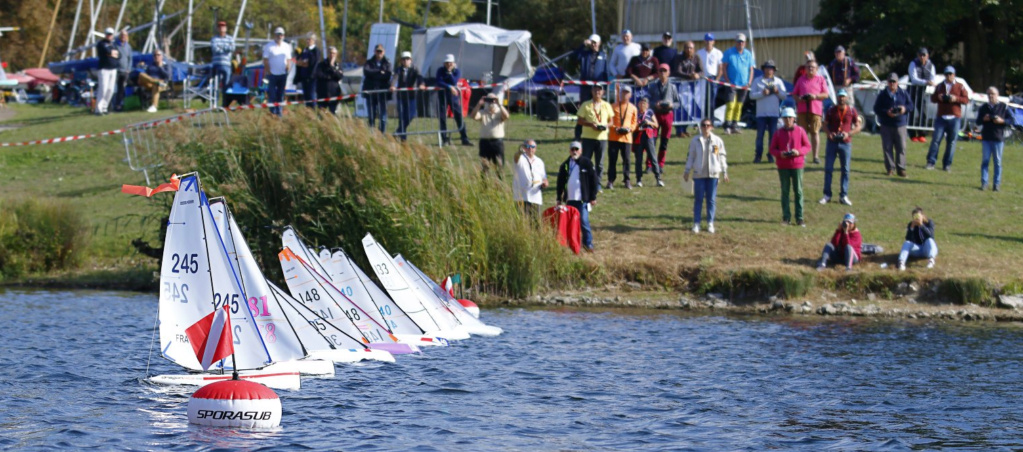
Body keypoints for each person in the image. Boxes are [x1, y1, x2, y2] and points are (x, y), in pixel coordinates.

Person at [684, 118, 729, 234]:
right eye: (703, 125)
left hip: (713, 174)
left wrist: (724, 171)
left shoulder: (717, 141)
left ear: (712, 127)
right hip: (699, 174)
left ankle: (710, 223)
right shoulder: (695, 141)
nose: (705, 127)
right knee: (698, 199)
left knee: (711, 200)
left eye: (708, 125)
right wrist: (687, 170)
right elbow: (691, 156)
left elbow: (721, 156)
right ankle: (696, 223)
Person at [820, 89, 862, 206]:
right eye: (840, 97)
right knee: (828, 169)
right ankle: (827, 195)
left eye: (843, 97)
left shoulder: (852, 111)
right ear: (837, 98)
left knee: (846, 170)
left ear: (847, 98)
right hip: (832, 142)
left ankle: (844, 195)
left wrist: (848, 134)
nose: (841, 99)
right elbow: (824, 124)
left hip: (846, 143)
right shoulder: (831, 110)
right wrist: (829, 134)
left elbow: (858, 126)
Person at [769, 108, 810, 226]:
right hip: (783, 165)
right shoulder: (778, 132)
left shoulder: (800, 131)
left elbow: (807, 146)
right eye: (785, 118)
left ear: (794, 118)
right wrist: (780, 154)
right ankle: (786, 217)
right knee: (785, 191)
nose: (787, 120)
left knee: (798, 191)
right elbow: (772, 148)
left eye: (789, 117)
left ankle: (799, 218)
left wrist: (798, 152)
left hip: (797, 165)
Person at [556, 141, 599, 252]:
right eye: (572, 149)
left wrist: (593, 197)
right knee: (571, 223)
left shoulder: (587, 163)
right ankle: (572, 243)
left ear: (581, 150)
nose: (574, 151)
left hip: (582, 199)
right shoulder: (565, 165)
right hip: (570, 199)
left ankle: (588, 244)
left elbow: (594, 181)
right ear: (570, 151)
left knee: (584, 221)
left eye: (576, 149)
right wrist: (559, 198)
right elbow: (560, 182)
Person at [926, 66, 968, 171]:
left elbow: (966, 99)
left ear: (954, 75)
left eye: (950, 74)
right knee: (936, 140)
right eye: (947, 74)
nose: (948, 76)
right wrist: (939, 97)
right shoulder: (940, 86)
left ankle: (947, 164)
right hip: (941, 117)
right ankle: (931, 162)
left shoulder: (960, 86)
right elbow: (932, 98)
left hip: (954, 117)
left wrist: (955, 98)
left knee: (951, 142)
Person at [872, 72, 914, 177]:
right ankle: (890, 168)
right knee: (887, 147)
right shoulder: (882, 94)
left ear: (897, 82)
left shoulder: (903, 93)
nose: (892, 84)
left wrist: (904, 109)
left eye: (894, 81)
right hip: (886, 124)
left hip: (900, 124)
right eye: (890, 82)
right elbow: (876, 108)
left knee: (901, 147)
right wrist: (887, 112)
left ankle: (901, 168)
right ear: (887, 82)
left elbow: (911, 105)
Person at [572, 34, 611, 140]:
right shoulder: (584, 54)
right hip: (586, 87)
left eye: (595, 42)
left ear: (599, 43)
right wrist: (582, 45)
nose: (593, 44)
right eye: (592, 42)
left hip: (598, 87)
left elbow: (605, 71)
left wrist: (605, 88)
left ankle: (599, 129)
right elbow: (574, 56)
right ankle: (578, 134)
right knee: (584, 109)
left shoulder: (603, 55)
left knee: (598, 109)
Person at [977, 86, 1015, 191]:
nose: (990, 96)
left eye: (992, 94)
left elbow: (1012, 120)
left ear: (997, 95)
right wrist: (984, 119)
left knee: (997, 162)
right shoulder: (984, 107)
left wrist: (1002, 121)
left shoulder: (1004, 107)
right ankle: (984, 183)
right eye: (989, 94)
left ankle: (996, 184)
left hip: (998, 138)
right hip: (986, 138)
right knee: (985, 161)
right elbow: (978, 121)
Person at [791, 60, 829, 163]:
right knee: (802, 133)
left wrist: (815, 96)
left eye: (812, 67)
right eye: (808, 67)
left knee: (815, 132)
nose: (810, 69)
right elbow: (794, 93)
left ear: (817, 69)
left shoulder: (821, 79)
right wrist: (799, 99)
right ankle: (802, 155)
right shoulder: (801, 79)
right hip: (802, 110)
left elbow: (826, 94)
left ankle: (815, 156)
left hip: (815, 110)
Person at [576, 84, 614, 187]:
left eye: (599, 90)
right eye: (595, 90)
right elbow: (579, 120)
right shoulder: (586, 104)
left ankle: (597, 183)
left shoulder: (606, 105)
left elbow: (611, 121)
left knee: (600, 163)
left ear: (603, 92)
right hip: (588, 137)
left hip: (602, 138)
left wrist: (606, 126)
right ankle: (584, 182)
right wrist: (590, 124)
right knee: (586, 161)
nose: (597, 92)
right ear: (591, 91)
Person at [749, 60, 787, 163]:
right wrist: (762, 93)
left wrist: (777, 91)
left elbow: (784, 95)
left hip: (774, 113)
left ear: (774, 70)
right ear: (763, 69)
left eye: (771, 68)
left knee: (773, 136)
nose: (769, 70)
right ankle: (758, 155)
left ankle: (771, 155)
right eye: (767, 68)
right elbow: (751, 95)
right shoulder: (757, 81)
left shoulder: (778, 81)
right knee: (760, 136)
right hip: (761, 113)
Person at [717, 33, 754, 134]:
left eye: (742, 42)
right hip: (732, 83)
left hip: (744, 84)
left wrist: (749, 82)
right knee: (731, 104)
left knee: (739, 105)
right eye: (738, 41)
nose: (740, 43)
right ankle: (727, 125)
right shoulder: (729, 53)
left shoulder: (748, 54)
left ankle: (735, 124)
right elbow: (724, 67)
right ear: (735, 42)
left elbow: (751, 69)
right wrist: (727, 80)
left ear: (745, 43)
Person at [436, 54, 472, 146]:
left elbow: (454, 81)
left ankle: (464, 138)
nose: (448, 65)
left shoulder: (457, 71)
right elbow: (439, 82)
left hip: (453, 98)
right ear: (444, 63)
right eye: (447, 63)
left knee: (459, 117)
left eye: (450, 63)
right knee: (442, 118)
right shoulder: (440, 70)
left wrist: (449, 73)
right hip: (442, 96)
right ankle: (444, 139)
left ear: (453, 63)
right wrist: (449, 87)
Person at [647, 64, 678, 174]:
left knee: (664, 141)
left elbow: (678, 103)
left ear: (669, 73)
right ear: (658, 73)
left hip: (668, 115)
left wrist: (671, 105)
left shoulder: (673, 87)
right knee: (652, 141)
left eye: (665, 71)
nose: (662, 73)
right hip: (655, 115)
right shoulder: (652, 86)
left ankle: (660, 164)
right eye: (660, 71)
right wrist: (655, 104)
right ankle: (649, 164)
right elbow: (647, 100)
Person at [669, 41, 702, 137]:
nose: (689, 50)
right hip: (679, 87)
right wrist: (690, 76)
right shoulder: (679, 58)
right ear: (684, 49)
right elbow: (677, 71)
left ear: (694, 49)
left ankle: (685, 128)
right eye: (687, 48)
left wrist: (697, 75)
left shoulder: (696, 58)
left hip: (692, 87)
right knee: (680, 108)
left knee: (690, 108)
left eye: (691, 48)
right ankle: (679, 130)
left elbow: (701, 71)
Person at [607, 85, 637, 189]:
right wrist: (615, 128)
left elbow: (634, 123)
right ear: (620, 94)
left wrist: (629, 129)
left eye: (627, 93)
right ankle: (610, 180)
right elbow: (608, 121)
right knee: (612, 160)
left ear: (630, 95)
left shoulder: (633, 108)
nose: (625, 94)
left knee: (627, 160)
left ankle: (627, 180)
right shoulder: (612, 106)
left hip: (627, 138)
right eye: (623, 92)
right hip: (614, 137)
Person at [390, 51, 425, 141]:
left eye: (407, 59)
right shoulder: (398, 69)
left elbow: (420, 77)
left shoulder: (415, 68)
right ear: (401, 61)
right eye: (403, 59)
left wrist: (421, 84)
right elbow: (395, 78)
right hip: (401, 97)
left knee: (411, 115)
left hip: (411, 96)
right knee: (402, 117)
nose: (405, 61)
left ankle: (398, 132)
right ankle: (403, 138)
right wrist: (393, 85)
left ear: (411, 60)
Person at [471, 92, 510, 169]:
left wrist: (500, 104)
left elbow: (506, 116)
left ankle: (499, 181)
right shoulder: (483, 112)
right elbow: (473, 116)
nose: (491, 102)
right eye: (489, 100)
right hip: (484, 142)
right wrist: (479, 104)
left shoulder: (499, 112)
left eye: (493, 100)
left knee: (499, 166)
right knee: (484, 167)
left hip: (497, 142)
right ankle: (485, 181)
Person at [513, 139, 548, 219]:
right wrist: (519, 152)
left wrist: (545, 183)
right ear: (525, 148)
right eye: (528, 147)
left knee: (535, 222)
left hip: (535, 196)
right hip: (521, 197)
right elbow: (516, 158)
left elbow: (544, 177)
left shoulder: (539, 161)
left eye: (533, 147)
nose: (530, 149)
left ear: (535, 148)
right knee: (521, 221)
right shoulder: (521, 159)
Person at [907, 48, 937, 141]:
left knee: (923, 112)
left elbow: (933, 78)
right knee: (911, 113)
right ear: (918, 55)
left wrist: (930, 82)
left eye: (924, 55)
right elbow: (914, 79)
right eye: (920, 55)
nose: (922, 57)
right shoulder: (913, 64)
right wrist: (926, 82)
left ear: (927, 56)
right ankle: (912, 135)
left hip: (921, 92)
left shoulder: (931, 65)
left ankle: (922, 134)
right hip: (911, 91)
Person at [262, 27, 293, 116]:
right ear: (275, 35)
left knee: (280, 95)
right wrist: (269, 71)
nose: (280, 36)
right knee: (272, 95)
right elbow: (265, 60)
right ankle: (272, 113)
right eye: (278, 34)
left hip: (282, 74)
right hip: (272, 74)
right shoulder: (269, 46)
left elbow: (288, 59)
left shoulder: (286, 46)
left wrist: (287, 69)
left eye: (281, 34)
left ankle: (279, 113)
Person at [633, 97, 662, 187]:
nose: (642, 105)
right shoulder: (635, 112)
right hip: (638, 136)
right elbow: (632, 125)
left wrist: (648, 122)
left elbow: (656, 125)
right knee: (639, 159)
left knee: (653, 157)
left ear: (648, 105)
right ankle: (639, 179)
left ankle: (658, 178)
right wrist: (639, 124)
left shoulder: (650, 112)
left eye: (644, 104)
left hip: (648, 136)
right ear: (638, 104)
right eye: (641, 103)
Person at [363, 44, 392, 133]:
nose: (379, 53)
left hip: (382, 93)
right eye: (377, 51)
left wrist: (374, 74)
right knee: (371, 116)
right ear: (374, 51)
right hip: (371, 92)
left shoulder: (387, 63)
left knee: (383, 117)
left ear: (384, 52)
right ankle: (372, 134)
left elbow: (387, 75)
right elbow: (367, 72)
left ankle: (381, 134)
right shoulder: (369, 62)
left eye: (381, 51)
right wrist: (379, 72)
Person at [696, 33, 722, 116]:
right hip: (702, 78)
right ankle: (701, 119)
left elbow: (720, 68)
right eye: (707, 40)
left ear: (713, 41)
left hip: (712, 78)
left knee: (711, 101)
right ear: (704, 41)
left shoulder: (718, 53)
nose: (708, 42)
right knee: (701, 100)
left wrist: (717, 80)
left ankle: (710, 120)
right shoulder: (699, 52)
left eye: (710, 40)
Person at [95, 28, 119, 115]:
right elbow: (107, 51)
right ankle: (98, 109)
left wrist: (112, 53)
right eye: (108, 34)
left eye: (111, 34)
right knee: (103, 89)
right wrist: (112, 53)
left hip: (113, 69)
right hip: (104, 69)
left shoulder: (114, 44)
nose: (109, 36)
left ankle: (105, 107)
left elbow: (118, 54)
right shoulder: (101, 43)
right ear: (105, 34)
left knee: (110, 89)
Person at [313, 46, 343, 114]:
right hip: (322, 93)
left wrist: (332, 66)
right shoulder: (321, 65)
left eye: (333, 53)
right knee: (321, 113)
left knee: (332, 113)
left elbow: (339, 76)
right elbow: (319, 75)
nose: (332, 55)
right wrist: (331, 77)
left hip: (334, 93)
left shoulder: (337, 65)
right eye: (330, 53)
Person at [210, 21, 235, 97]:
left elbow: (232, 48)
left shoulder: (230, 38)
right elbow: (215, 49)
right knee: (215, 84)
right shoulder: (214, 39)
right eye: (220, 27)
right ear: (218, 28)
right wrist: (226, 47)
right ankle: (214, 101)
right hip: (216, 64)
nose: (222, 28)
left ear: (226, 28)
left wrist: (221, 47)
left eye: (223, 27)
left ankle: (225, 102)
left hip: (226, 64)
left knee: (226, 84)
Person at [295, 35, 320, 108]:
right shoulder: (305, 50)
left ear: (313, 40)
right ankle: (308, 112)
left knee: (311, 96)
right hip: (304, 76)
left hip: (312, 77)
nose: (307, 41)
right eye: (307, 39)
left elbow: (312, 63)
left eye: (309, 39)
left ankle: (313, 112)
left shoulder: (316, 50)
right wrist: (303, 62)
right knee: (306, 97)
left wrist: (305, 63)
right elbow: (299, 62)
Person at [112, 29, 132, 112]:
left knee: (122, 89)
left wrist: (129, 69)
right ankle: (112, 105)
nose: (123, 36)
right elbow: (113, 57)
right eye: (122, 35)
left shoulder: (128, 46)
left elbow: (130, 59)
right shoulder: (115, 45)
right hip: (116, 71)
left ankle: (119, 105)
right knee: (113, 89)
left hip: (125, 71)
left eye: (125, 35)